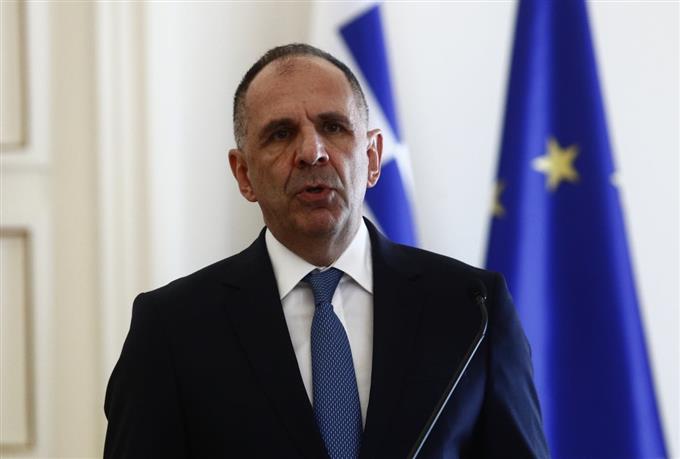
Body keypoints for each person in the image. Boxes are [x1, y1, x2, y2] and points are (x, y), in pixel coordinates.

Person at [104, 43, 549, 459]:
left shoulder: (473, 310)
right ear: (243, 174)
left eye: (333, 127)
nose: (312, 152)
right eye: (281, 134)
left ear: (372, 157)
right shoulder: (173, 329)